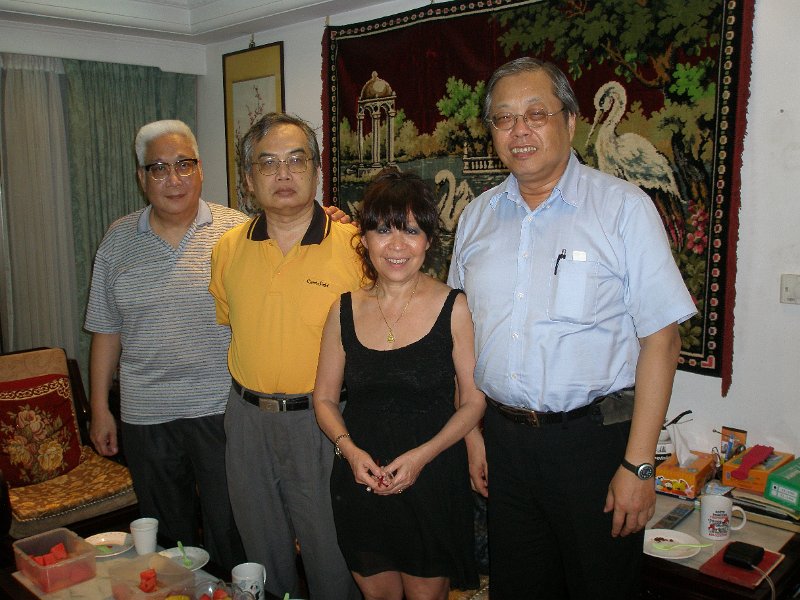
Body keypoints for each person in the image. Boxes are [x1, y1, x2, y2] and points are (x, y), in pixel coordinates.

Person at [447, 58, 697, 599]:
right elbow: (462, 334)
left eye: (536, 113)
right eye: (504, 118)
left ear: (572, 120)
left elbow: (662, 339)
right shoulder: (477, 218)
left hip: (595, 446)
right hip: (505, 442)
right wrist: (472, 435)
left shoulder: (622, 209)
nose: (520, 130)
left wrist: (639, 465)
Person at [209, 113, 362, 600]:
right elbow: (233, 321)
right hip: (247, 421)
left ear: (317, 170)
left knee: (331, 553)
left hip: (324, 421)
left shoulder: (356, 247)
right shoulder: (228, 248)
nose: (284, 173)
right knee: (259, 554)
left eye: (297, 160)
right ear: (249, 179)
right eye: (268, 163)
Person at [313, 169, 484, 600]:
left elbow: (472, 402)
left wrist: (422, 457)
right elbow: (325, 399)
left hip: (433, 476)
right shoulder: (343, 309)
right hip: (362, 478)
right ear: (365, 238)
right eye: (383, 229)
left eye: (410, 230)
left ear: (428, 240)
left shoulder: (454, 307)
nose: (396, 245)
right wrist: (349, 452)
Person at [85, 119, 247, 571]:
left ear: (200, 169)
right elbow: (105, 331)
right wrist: (100, 409)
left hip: (221, 409)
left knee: (230, 529)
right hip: (146, 413)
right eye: (159, 168)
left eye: (184, 165)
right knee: (167, 539)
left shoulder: (238, 232)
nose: (173, 179)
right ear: (142, 178)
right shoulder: (117, 241)